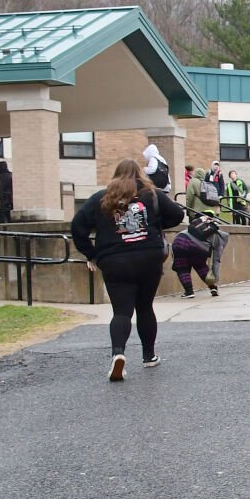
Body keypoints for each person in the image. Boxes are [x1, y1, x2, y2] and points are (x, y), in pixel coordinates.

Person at [70, 157, 185, 382]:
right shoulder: (152, 195)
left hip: (113, 261)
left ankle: (118, 354)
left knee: (121, 312)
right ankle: (149, 355)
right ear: (140, 175)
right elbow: (178, 215)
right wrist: (156, 222)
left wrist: (92, 254)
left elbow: (77, 227)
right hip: (148, 258)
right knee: (144, 307)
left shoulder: (100, 199)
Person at [170, 211, 223, 298]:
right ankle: (213, 288)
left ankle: (189, 291)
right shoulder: (216, 234)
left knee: (182, 268)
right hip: (199, 248)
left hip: (181, 241)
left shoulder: (195, 226)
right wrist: (215, 280)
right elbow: (216, 260)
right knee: (201, 267)